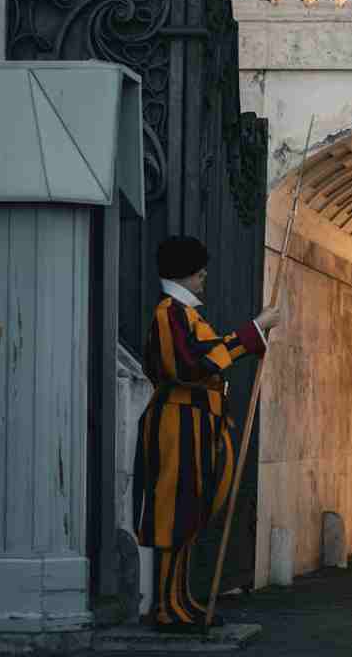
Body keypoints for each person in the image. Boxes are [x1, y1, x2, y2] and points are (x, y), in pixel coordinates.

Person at [132, 235, 282, 632]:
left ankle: (179, 598)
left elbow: (211, 355)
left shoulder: (185, 314)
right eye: (199, 272)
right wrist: (254, 330)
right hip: (178, 420)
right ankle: (165, 606)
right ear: (185, 273)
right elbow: (190, 367)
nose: (204, 278)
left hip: (197, 421)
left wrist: (253, 336)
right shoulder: (170, 313)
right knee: (174, 512)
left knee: (192, 512)